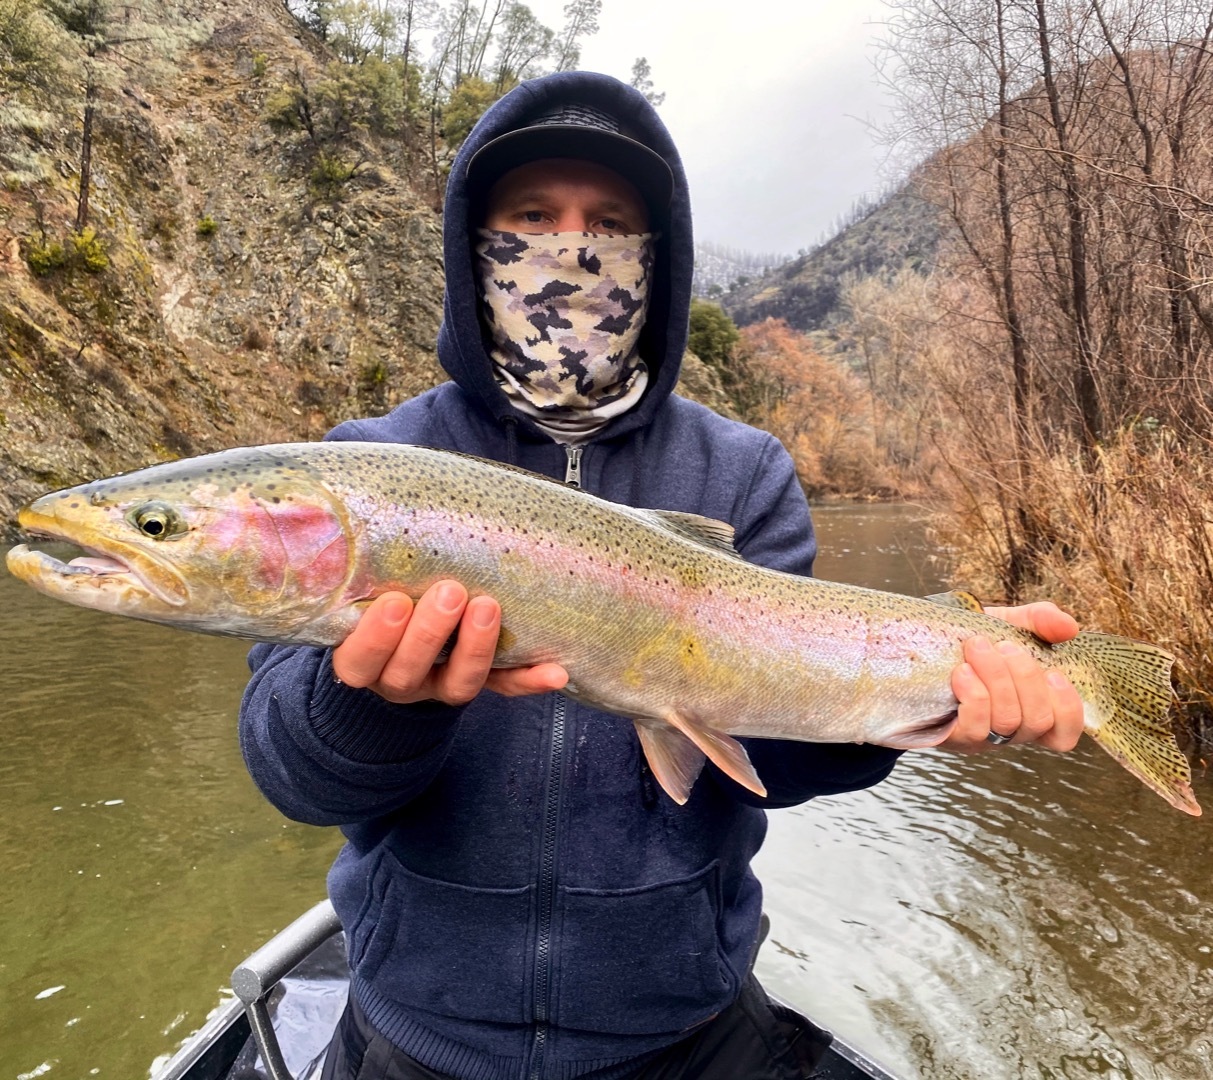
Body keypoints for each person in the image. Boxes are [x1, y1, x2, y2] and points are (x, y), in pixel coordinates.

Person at [239, 71, 1085, 1080]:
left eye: (608, 220)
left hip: (683, 1030)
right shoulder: (374, 467)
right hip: (422, 1028)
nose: (569, 245)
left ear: (660, 257)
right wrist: (374, 701)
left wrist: (923, 704)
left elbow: (780, 761)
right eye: (531, 215)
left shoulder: (743, 471)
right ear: (474, 244)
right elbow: (290, 774)